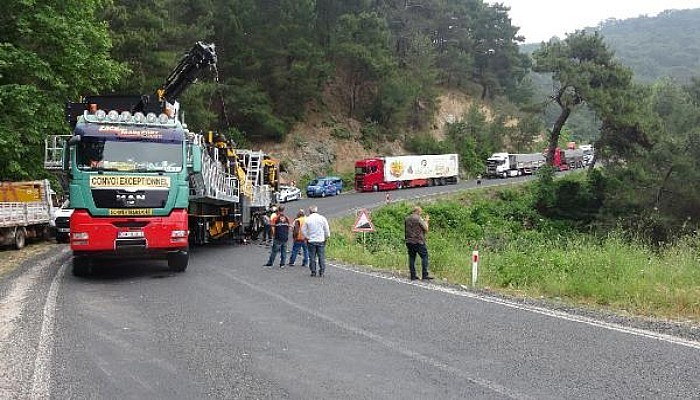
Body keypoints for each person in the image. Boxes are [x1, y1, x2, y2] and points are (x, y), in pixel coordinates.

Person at [405, 206, 433, 281]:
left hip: (409, 241)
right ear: (417, 211)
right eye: (420, 212)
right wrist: (426, 221)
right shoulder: (418, 218)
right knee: (424, 256)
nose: (420, 214)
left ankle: (413, 276)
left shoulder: (407, 218)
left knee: (411, 258)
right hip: (418, 241)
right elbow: (426, 229)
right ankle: (425, 275)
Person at [302, 205, 330, 277]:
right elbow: (326, 229)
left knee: (312, 257)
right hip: (320, 240)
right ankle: (322, 271)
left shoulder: (307, 219)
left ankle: (313, 271)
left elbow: (303, 230)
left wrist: (307, 237)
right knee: (321, 256)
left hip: (311, 240)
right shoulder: (322, 218)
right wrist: (326, 236)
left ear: (310, 211)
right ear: (316, 210)